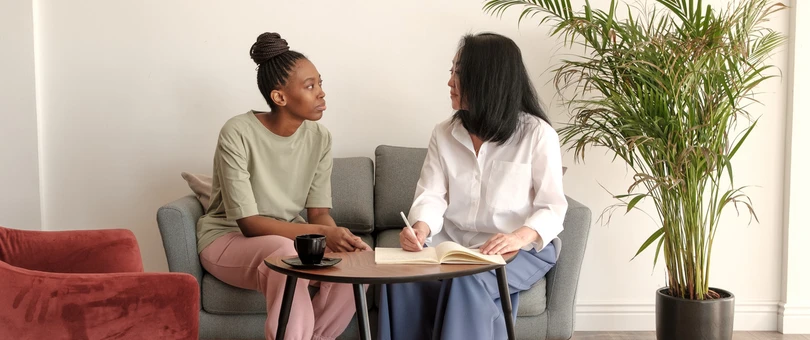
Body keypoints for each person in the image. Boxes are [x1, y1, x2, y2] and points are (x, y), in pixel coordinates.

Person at [377, 32, 568, 340]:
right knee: (402, 275)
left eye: (459, 73)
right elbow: (432, 195)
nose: (450, 81)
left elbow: (552, 207)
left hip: (520, 249)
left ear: (487, 79)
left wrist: (517, 237)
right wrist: (421, 229)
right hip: (452, 246)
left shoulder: (537, 135)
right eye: (451, 71)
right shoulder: (444, 133)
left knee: (465, 279)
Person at [196, 32, 371, 340]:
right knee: (284, 254)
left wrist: (335, 238)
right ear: (280, 97)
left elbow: (318, 215)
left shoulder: (320, 138)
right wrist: (321, 235)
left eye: (320, 83)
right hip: (227, 239)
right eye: (310, 86)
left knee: (360, 261)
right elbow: (249, 224)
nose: (321, 94)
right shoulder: (237, 132)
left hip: (293, 239)